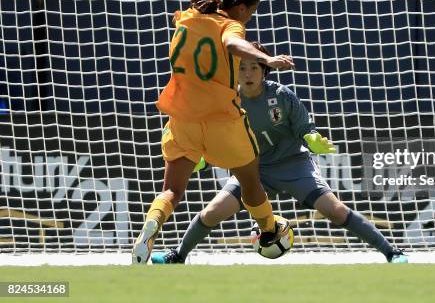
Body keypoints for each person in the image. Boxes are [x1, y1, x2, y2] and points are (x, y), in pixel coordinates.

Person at [151, 42, 408, 264]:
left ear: (264, 70)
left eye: (254, 67)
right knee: (211, 213)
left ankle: (391, 252)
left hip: (293, 165)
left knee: (336, 211)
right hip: (251, 170)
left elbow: (305, 128)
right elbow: (217, 141)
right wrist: (203, 161)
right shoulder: (227, 102)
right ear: (233, 71)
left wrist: (313, 140)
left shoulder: (282, 95)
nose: (248, 73)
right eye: (242, 67)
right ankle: (178, 255)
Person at [132, 0, 295, 264]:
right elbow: (232, 43)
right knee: (250, 182)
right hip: (222, 119)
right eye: (252, 12)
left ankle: (152, 226)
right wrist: (266, 60)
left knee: (171, 190)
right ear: (242, 8)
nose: (250, 18)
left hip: (182, 118)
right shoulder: (232, 25)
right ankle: (270, 229)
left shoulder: (188, 16)